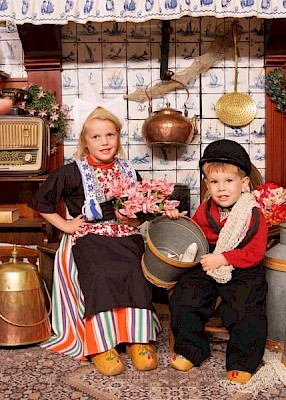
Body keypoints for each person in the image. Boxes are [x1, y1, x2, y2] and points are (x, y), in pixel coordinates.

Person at [29, 106, 183, 377]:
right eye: (96, 137)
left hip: (124, 236)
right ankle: (101, 344)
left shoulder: (127, 168)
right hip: (88, 236)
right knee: (101, 272)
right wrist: (66, 224)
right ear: (85, 142)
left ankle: (138, 339)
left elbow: (139, 210)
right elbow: (41, 202)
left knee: (136, 270)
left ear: (118, 138)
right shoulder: (71, 172)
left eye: (110, 135)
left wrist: (137, 220)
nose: (104, 142)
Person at [169, 139, 268, 384]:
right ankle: (192, 348)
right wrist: (176, 219)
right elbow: (195, 233)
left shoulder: (253, 214)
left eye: (229, 181)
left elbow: (254, 253)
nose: (221, 189)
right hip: (209, 258)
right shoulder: (205, 209)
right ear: (206, 184)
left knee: (245, 307)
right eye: (214, 182)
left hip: (242, 263)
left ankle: (242, 361)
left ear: (244, 183)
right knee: (185, 295)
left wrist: (224, 258)